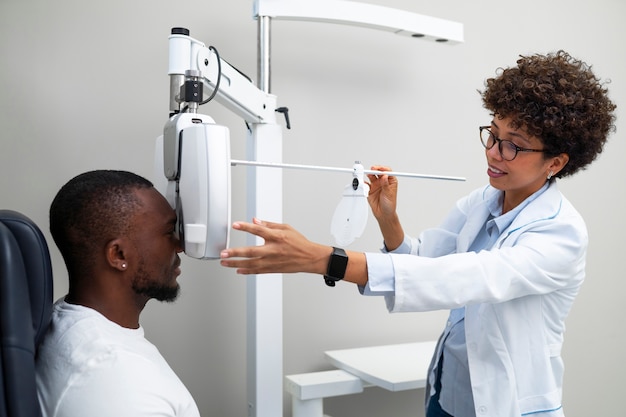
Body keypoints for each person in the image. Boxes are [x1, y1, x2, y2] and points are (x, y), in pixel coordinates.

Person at [220, 51, 616, 417]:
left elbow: (463, 277)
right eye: (492, 134)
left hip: (507, 404)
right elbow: (426, 259)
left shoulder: (560, 234)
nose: (494, 152)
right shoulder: (484, 201)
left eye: (514, 145)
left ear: (556, 162)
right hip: (449, 392)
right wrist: (388, 220)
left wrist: (325, 259)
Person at [36, 170, 200, 417]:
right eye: (168, 233)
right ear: (118, 255)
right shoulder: (115, 377)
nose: (179, 246)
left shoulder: (73, 327)